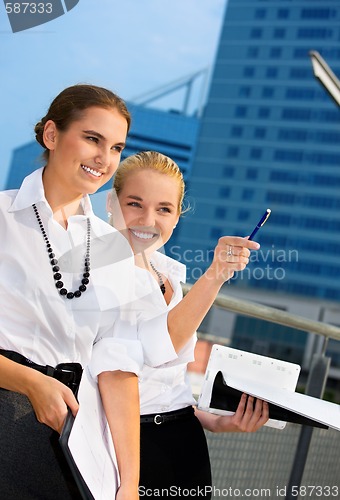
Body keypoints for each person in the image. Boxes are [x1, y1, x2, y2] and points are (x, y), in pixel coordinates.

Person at [0, 84, 151, 500]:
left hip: (74, 436)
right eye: (92, 139)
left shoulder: (116, 250)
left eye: (117, 147)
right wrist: (29, 382)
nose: (105, 159)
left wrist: (129, 483)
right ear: (52, 135)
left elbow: (118, 372)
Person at [107, 151, 269, 499]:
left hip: (184, 443)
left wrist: (218, 421)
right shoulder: (94, 273)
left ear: (178, 217)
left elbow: (166, 382)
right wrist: (215, 276)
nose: (148, 219)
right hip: (124, 450)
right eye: (135, 203)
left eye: (164, 209)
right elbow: (155, 349)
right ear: (111, 202)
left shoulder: (170, 275)